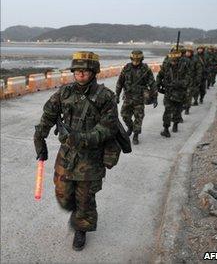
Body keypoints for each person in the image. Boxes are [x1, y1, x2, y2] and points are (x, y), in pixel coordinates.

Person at [34, 51, 120, 251]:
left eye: (85, 71)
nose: (80, 75)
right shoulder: (64, 93)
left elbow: (107, 129)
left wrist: (79, 138)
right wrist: (39, 139)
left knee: (85, 198)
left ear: (94, 72)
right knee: (63, 196)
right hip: (67, 156)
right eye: (77, 71)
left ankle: (81, 229)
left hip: (91, 159)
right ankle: (77, 213)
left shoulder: (105, 97)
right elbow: (48, 115)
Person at [115, 50, 158, 145]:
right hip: (128, 97)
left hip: (140, 98)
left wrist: (155, 97)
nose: (135, 62)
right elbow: (120, 82)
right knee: (124, 115)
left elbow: (152, 84)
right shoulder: (127, 68)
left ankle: (136, 135)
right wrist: (117, 95)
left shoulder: (145, 69)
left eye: (137, 60)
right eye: (134, 60)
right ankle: (130, 127)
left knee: (139, 117)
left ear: (141, 59)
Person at [156, 50, 191, 137]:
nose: (173, 62)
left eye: (175, 60)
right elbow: (159, 76)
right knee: (167, 110)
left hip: (180, 92)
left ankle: (175, 124)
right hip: (168, 92)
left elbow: (188, 80)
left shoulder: (184, 67)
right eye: (172, 60)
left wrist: (177, 83)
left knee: (178, 110)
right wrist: (158, 86)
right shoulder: (166, 66)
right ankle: (166, 129)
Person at [184, 46, 202, 115]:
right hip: (182, 81)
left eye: (189, 52)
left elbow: (199, 70)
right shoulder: (183, 59)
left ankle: (187, 108)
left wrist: (198, 78)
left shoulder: (195, 60)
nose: (187, 53)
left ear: (191, 53)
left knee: (188, 95)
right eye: (186, 52)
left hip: (191, 81)